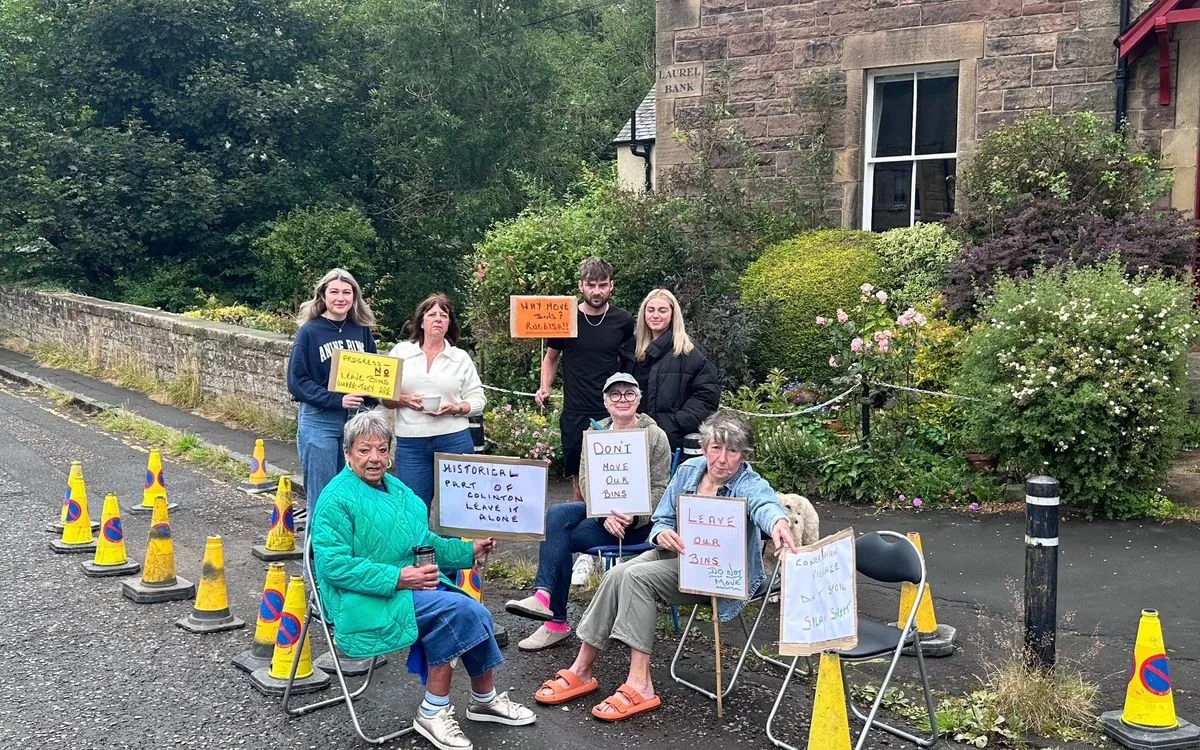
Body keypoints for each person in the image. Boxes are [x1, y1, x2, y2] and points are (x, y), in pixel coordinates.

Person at [532, 412, 797, 722]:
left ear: (743, 455)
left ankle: (640, 684)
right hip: (680, 557)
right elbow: (662, 518)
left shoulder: (749, 483)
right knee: (618, 572)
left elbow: (765, 504)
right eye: (715, 448)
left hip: (722, 574)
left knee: (635, 577)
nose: (722, 459)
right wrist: (662, 534)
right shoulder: (688, 471)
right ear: (705, 446)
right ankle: (583, 668)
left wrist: (778, 522)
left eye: (733, 451)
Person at [311, 410, 536, 750]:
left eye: (382, 449)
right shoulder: (336, 497)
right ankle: (433, 710)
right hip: (359, 597)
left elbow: (423, 544)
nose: (375, 458)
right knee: (458, 613)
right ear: (347, 453)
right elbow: (332, 567)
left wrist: (468, 550)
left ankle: (482, 699)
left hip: (406, 587)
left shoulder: (398, 489)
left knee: (475, 612)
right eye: (364, 450)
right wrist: (398, 577)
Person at [505, 373, 672, 652]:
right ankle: (544, 600)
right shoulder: (595, 434)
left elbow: (660, 487)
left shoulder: (655, 436)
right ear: (606, 402)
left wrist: (634, 515)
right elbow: (587, 480)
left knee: (560, 538)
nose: (622, 399)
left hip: (641, 524)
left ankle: (554, 621)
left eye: (629, 393)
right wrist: (603, 514)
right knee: (558, 515)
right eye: (615, 394)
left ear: (638, 399)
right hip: (604, 518)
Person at [535, 257, 633, 501]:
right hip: (575, 410)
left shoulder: (623, 321)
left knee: (611, 477)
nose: (596, 291)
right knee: (579, 481)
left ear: (612, 286)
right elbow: (551, 358)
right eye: (591, 285)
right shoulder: (564, 318)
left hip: (612, 411)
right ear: (581, 286)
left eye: (602, 285)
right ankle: (582, 533)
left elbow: (631, 365)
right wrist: (544, 387)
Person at [287, 268, 377, 518]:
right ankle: (317, 558)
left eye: (347, 292)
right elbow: (297, 381)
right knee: (323, 495)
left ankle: (346, 555)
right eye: (334, 291)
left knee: (355, 491)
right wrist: (337, 400)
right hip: (319, 420)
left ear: (354, 297)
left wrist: (372, 397)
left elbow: (374, 373)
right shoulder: (309, 332)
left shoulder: (361, 330)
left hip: (355, 420)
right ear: (323, 295)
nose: (341, 297)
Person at [385, 293, 485, 508]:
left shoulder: (460, 357)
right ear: (421, 321)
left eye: (444, 315)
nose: (438, 319)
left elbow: (478, 399)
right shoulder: (400, 352)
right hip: (412, 442)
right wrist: (403, 400)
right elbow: (384, 397)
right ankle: (418, 544)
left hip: (453, 440)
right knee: (412, 507)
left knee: (456, 508)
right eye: (432, 314)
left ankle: (452, 544)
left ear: (449, 323)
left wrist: (457, 408)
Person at [621, 288, 720, 452]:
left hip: (673, 442)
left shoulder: (690, 352)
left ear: (673, 314)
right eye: (650, 310)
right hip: (634, 438)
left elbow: (706, 396)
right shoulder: (631, 349)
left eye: (662, 310)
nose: (655, 315)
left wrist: (676, 423)